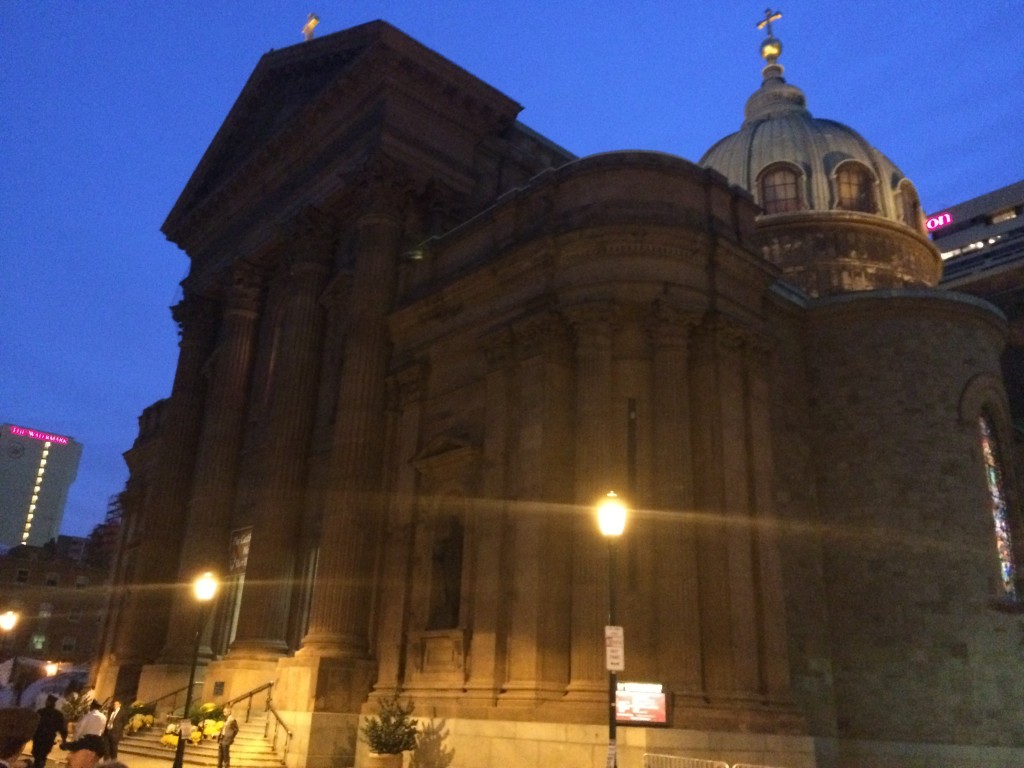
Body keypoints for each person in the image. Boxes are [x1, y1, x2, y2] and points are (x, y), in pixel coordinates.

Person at [31, 696, 67, 768]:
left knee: (38, 755)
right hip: (48, 738)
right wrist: (64, 740)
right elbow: (62, 729)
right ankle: (40, 764)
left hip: (39, 738)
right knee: (42, 755)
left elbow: (33, 725)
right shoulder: (58, 714)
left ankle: (38, 765)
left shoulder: (40, 712)